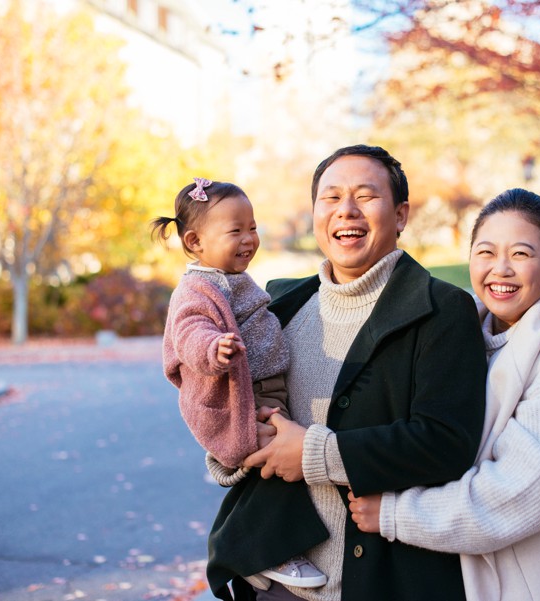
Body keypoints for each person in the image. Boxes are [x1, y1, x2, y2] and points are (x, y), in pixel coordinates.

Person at [206, 145, 488, 601]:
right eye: (331, 197)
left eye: (365, 196)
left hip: (381, 581)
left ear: (400, 215)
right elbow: (228, 398)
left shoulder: (442, 310)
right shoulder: (276, 307)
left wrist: (315, 455)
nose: (346, 211)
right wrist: (232, 448)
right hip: (275, 584)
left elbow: (447, 443)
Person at [348, 188, 540, 600]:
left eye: (521, 255)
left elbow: (520, 493)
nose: (500, 269)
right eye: (486, 252)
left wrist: (397, 513)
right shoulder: (467, 336)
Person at [151, 178, 328, 591]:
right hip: (244, 396)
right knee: (276, 471)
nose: (249, 239)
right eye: (236, 231)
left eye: (252, 227)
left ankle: (253, 549)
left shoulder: (230, 277)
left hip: (267, 388)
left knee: (279, 465)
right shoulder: (196, 289)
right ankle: (264, 551)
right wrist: (215, 348)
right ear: (194, 241)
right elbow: (189, 332)